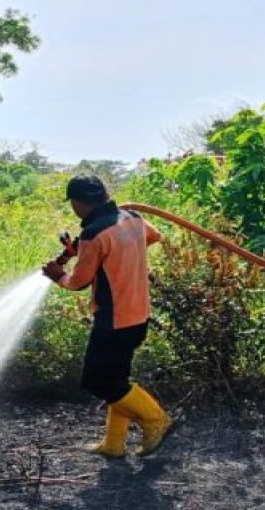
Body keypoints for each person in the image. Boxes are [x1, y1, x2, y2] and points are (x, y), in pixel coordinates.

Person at [41, 175, 174, 458]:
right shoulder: (132, 217)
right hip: (138, 314)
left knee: (98, 381)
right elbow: (154, 236)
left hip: (114, 319)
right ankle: (114, 444)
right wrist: (118, 255)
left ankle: (156, 419)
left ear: (78, 204)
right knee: (117, 378)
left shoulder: (93, 234)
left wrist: (58, 275)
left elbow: (78, 282)